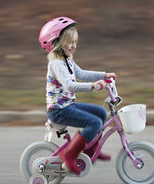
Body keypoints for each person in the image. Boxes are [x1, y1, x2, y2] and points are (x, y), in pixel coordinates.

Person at [39, 16, 118, 175]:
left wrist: (103, 75)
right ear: (57, 42)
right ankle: (69, 154)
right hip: (58, 110)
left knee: (101, 113)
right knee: (94, 123)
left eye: (76, 42)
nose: (74, 46)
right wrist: (93, 86)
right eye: (70, 42)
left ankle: (89, 151)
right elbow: (69, 85)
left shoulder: (67, 59)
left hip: (67, 105)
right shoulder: (57, 63)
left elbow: (81, 73)